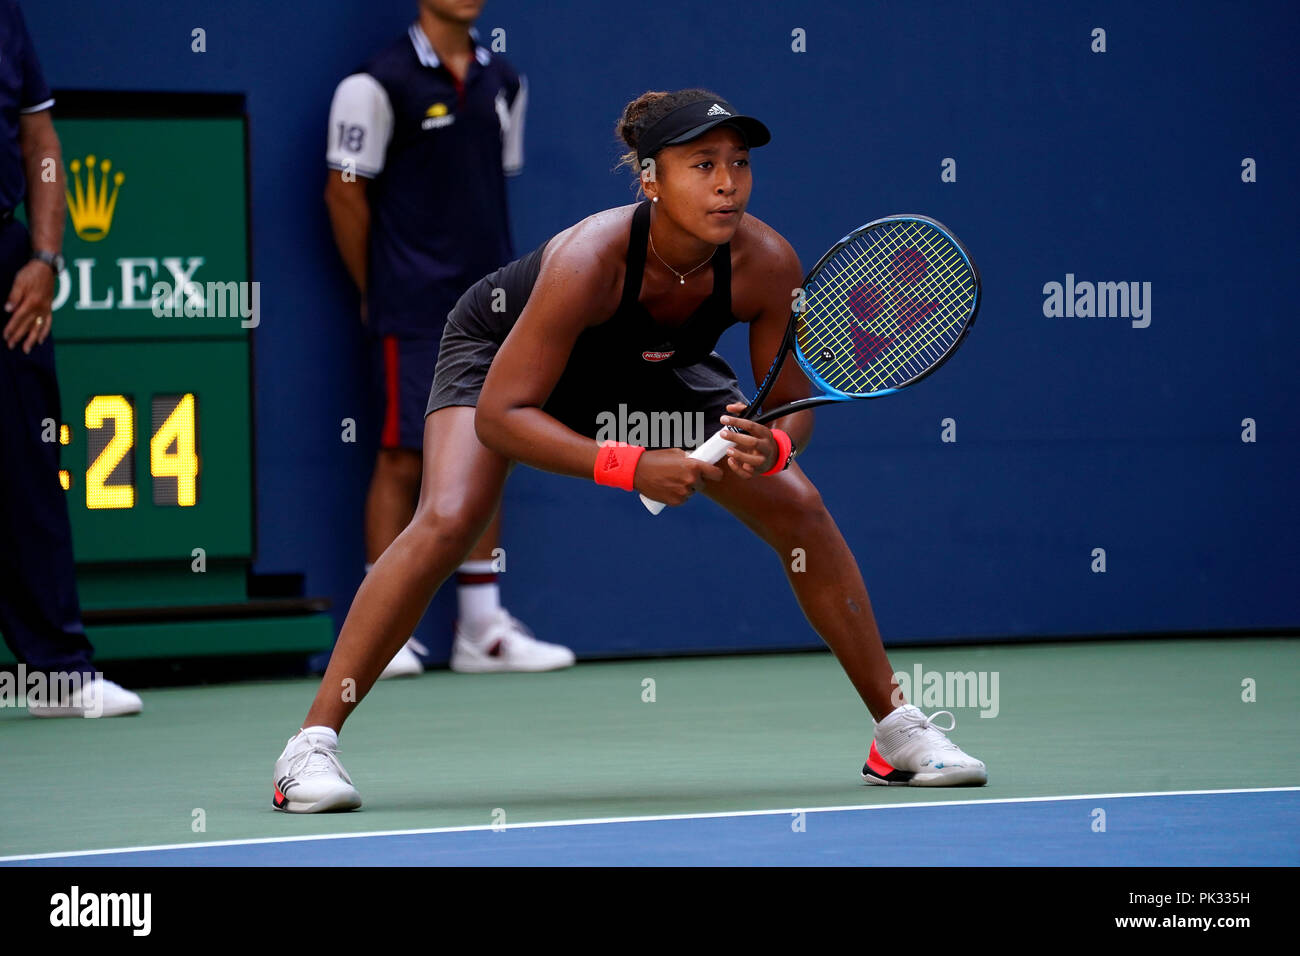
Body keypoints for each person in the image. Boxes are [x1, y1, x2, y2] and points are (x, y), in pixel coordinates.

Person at [273, 88, 987, 812]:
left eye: (739, 164)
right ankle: (309, 749)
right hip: (504, 359)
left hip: (653, 367)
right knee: (451, 515)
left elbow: (789, 410)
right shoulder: (591, 259)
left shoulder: (768, 263)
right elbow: (501, 418)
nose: (726, 182)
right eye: (702, 164)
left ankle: (897, 733)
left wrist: (768, 448)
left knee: (800, 507)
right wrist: (630, 463)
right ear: (650, 179)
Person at [324, 0, 572, 677]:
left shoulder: (505, 82)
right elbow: (343, 193)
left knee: (489, 446)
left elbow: (489, 187)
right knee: (404, 457)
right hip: (412, 306)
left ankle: (482, 628)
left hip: (492, 304)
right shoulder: (374, 84)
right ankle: (386, 632)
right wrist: (377, 288)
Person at [0, 0, 141, 718]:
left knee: (28, 467)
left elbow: (40, 138)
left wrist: (45, 257)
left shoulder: (8, 18)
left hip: (7, 261)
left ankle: (56, 673)